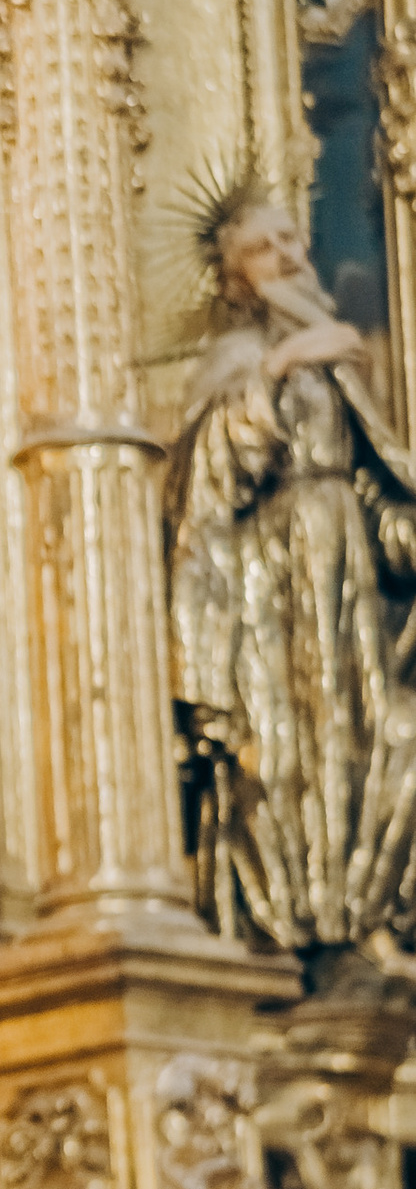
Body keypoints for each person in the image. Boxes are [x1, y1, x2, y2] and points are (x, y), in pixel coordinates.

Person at [166, 187, 416, 962]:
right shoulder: (238, 361)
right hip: (269, 591)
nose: (293, 257)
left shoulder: (337, 366)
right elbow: (212, 474)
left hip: (343, 584)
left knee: (372, 736)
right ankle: (295, 921)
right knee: (279, 747)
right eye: (268, 246)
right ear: (233, 276)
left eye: (295, 241)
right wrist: (280, 364)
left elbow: (376, 490)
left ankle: (357, 910)